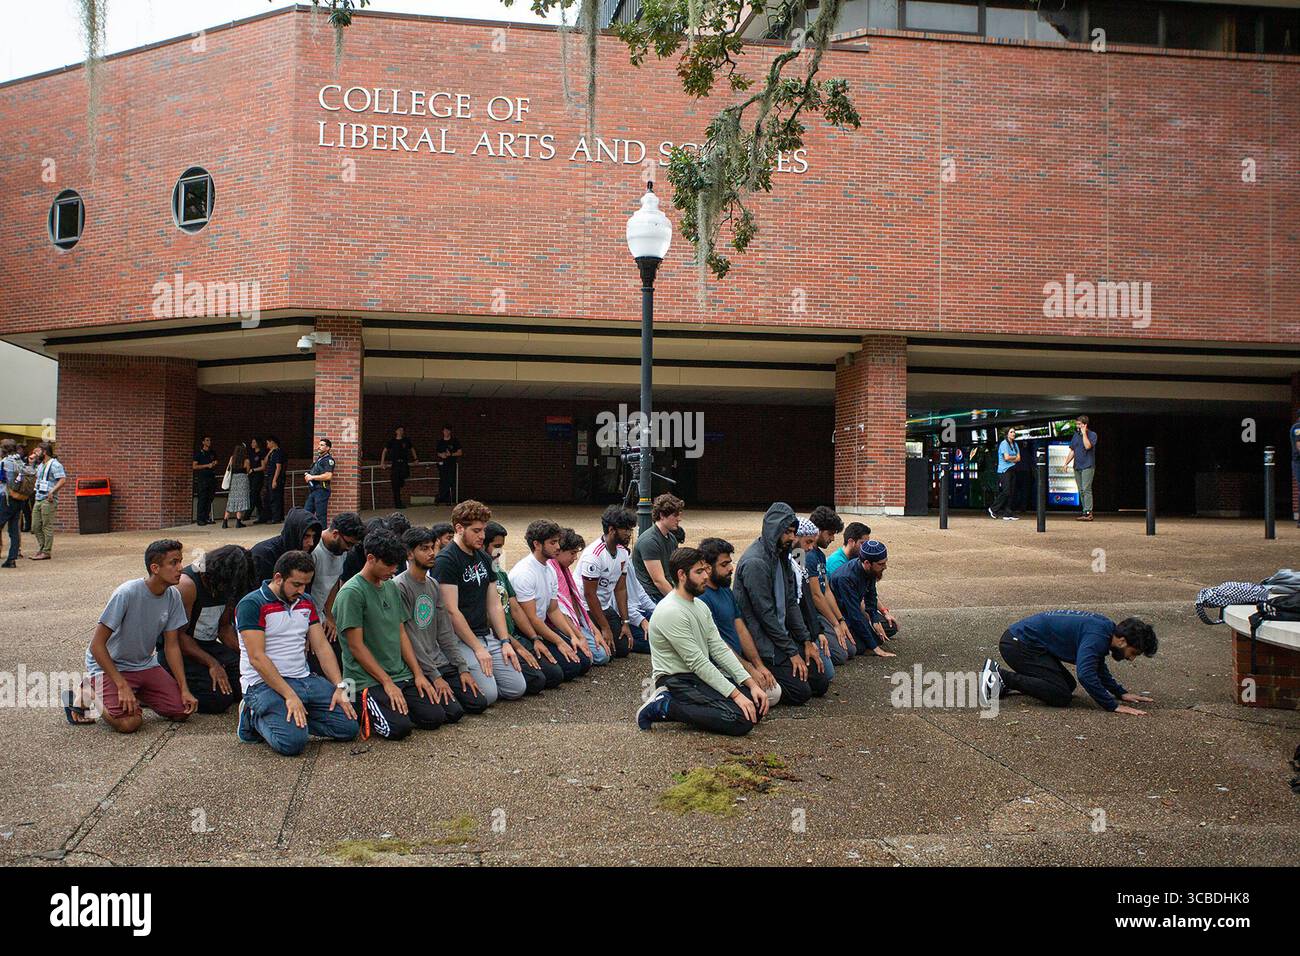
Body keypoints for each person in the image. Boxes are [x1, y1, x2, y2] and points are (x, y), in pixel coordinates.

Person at [234, 550, 359, 755]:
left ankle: (288, 716)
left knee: (348, 727)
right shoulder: (252, 604)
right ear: (278, 578)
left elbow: (321, 647)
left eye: (306, 584)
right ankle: (252, 716)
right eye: (296, 584)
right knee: (292, 744)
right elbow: (257, 658)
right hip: (263, 684)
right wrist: (290, 696)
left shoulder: (305, 601)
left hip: (303, 679)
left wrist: (340, 686)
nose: (301, 590)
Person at [637, 547, 769, 735]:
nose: (706, 576)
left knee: (755, 707)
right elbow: (697, 662)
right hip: (676, 678)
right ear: (681, 575)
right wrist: (736, 695)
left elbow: (719, 648)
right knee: (740, 721)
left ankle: (688, 707)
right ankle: (664, 705)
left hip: (695, 677)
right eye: (699, 572)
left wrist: (751, 684)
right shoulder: (671, 611)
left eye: (705, 570)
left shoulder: (700, 605)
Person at [335, 530, 453, 740]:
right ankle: (363, 706)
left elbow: (401, 633)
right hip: (366, 680)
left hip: (400, 673)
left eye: (396, 565)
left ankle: (395, 707)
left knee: (436, 716)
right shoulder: (351, 593)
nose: (394, 570)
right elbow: (356, 647)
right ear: (370, 559)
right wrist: (386, 681)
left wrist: (418, 674)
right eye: (388, 565)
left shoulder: (390, 586)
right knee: (399, 729)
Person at [74, 540, 198, 732]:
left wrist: (184, 688)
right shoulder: (127, 593)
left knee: (183, 710)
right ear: (155, 568)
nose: (181, 568)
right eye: (174, 562)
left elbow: (171, 646)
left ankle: (133, 691)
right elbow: (96, 646)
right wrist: (121, 685)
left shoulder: (173, 596)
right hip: (109, 667)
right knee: (129, 723)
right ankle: (89, 692)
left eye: (181, 561)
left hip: (142, 664)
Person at [435, 499, 532, 705]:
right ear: (459, 528)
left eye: (484, 530)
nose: (482, 536)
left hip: (487, 636)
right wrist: (478, 649)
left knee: (517, 688)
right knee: (487, 696)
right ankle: (452, 672)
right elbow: (451, 612)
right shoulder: (446, 561)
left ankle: (484, 672)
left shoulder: (485, 559)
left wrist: (505, 641)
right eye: (477, 531)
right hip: (459, 639)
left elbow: (494, 604)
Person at [733, 501, 828, 706]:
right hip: (763, 642)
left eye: (794, 532)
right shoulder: (756, 563)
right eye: (788, 532)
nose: (792, 538)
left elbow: (791, 602)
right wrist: (791, 652)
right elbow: (765, 615)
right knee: (800, 693)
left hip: (782, 637)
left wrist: (805, 641)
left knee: (820, 682)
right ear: (774, 530)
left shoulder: (782, 556)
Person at [979, 611, 1157, 714]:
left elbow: (1096, 666)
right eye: (1133, 653)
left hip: (1026, 643)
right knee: (1060, 695)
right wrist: (1113, 706)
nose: (1131, 658)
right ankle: (999, 676)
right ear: (1123, 641)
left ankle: (1001, 684)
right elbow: (1086, 675)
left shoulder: (1105, 630)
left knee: (1068, 686)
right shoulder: (1098, 636)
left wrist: (1120, 693)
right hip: (1018, 644)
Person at [395, 526, 489, 719]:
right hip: (419, 665)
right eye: (424, 549)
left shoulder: (433, 584)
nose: (431, 553)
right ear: (409, 553)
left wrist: (462, 668)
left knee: (477, 702)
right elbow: (409, 636)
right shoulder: (399, 586)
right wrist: (435, 676)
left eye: (432, 547)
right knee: (447, 714)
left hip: (440, 661)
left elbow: (445, 631)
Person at [169, 544, 256, 714]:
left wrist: (250, 654)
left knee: (245, 686)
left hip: (208, 645)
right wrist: (212, 664)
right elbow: (179, 637)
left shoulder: (229, 585)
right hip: (182, 647)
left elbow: (224, 629)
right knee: (217, 700)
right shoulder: (188, 585)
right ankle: (165, 686)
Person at [696, 537, 781, 707]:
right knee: (759, 702)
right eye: (724, 565)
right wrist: (748, 670)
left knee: (774, 692)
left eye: (730, 563)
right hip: (719, 666)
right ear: (707, 566)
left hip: (738, 663)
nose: (730, 568)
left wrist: (758, 665)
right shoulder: (702, 598)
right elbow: (717, 645)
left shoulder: (725, 591)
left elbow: (740, 629)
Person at [485, 521, 564, 691]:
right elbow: (490, 619)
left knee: (557, 673)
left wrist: (535, 638)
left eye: (502, 547)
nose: (500, 552)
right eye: (496, 546)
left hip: (515, 634)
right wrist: (516, 645)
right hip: (498, 637)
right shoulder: (520, 572)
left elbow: (515, 609)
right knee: (538, 680)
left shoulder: (499, 570)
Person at [509, 519, 590, 681]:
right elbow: (531, 617)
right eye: (553, 543)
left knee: (583, 662)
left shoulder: (549, 569)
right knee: (558, 674)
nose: (558, 547)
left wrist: (572, 635)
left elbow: (553, 610)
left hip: (542, 626)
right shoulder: (524, 572)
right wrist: (559, 641)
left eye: (558, 542)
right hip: (525, 631)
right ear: (537, 544)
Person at [579, 505, 636, 659]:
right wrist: (605, 628)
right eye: (626, 530)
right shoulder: (594, 555)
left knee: (624, 648)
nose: (629, 534)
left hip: (605, 606)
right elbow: (589, 594)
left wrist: (625, 622)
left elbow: (620, 589)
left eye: (631, 530)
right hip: (586, 608)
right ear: (612, 530)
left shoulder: (623, 553)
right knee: (606, 654)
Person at [309, 512, 365, 669]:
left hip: (322, 616)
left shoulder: (341, 552)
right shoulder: (314, 551)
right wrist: (310, 626)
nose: (349, 549)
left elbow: (334, 583)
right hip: (307, 619)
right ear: (335, 534)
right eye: (348, 544)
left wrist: (329, 615)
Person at [829, 539, 899, 658]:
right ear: (867, 563)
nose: (885, 567)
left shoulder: (870, 570)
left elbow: (871, 596)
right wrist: (875, 648)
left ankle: (868, 637)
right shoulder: (846, 578)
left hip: (854, 612)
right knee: (859, 646)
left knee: (889, 627)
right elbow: (854, 614)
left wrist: (875, 620)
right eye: (881, 564)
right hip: (840, 616)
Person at [552, 528, 611, 665]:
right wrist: (578, 636)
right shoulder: (552, 570)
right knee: (598, 657)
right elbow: (560, 611)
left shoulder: (564, 570)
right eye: (572, 553)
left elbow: (577, 606)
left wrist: (594, 631)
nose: (575, 558)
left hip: (576, 622)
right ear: (559, 551)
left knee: (606, 652)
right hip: (562, 625)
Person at [806, 506, 854, 665]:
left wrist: (840, 620)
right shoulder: (807, 555)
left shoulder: (819, 554)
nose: (833, 538)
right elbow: (816, 595)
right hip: (812, 613)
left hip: (823, 612)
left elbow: (825, 590)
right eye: (830, 533)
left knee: (851, 650)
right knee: (841, 656)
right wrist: (834, 624)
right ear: (818, 530)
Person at [792, 517, 835, 684]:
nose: (811, 547)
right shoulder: (792, 558)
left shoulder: (800, 556)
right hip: (796, 631)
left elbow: (807, 599)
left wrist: (818, 631)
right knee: (825, 676)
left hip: (808, 626)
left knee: (828, 672)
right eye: (808, 542)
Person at [632, 493, 683, 603]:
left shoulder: (671, 538)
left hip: (663, 593)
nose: (679, 519)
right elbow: (658, 581)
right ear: (662, 515)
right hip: (650, 596)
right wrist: (680, 602)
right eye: (675, 515)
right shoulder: (649, 541)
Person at [250, 508, 323, 583]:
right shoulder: (264, 555)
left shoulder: (305, 555)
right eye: (306, 537)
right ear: (294, 534)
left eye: (313, 537)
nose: (311, 543)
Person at [27, 442, 66, 562]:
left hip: (48, 499)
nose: (35, 453)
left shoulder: (55, 464)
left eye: (38, 451)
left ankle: (46, 551)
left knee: (46, 526)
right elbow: (32, 475)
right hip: (38, 497)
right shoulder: (40, 465)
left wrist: (52, 491)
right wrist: (31, 463)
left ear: (44, 452)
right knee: (35, 526)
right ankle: (43, 548)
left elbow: (62, 480)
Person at [1063, 415, 1099, 522]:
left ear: (1085, 424)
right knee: (1080, 489)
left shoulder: (1092, 435)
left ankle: (1089, 512)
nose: (1077, 426)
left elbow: (1088, 446)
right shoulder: (1075, 435)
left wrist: (1084, 434)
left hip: (1088, 465)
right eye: (1077, 424)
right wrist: (1066, 463)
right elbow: (1072, 451)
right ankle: (1085, 511)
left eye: (1079, 424)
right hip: (1077, 465)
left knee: (1086, 488)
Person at [0, 439, 25, 568]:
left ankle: (11, 559)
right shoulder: (20, 461)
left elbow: (6, 481)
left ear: (4, 449)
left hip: (7, 498)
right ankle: (11, 559)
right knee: (14, 530)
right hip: (18, 498)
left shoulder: (5, 462)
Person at [380, 426, 419, 509]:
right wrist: (382, 462)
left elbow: (412, 449)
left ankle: (401, 483)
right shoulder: (392, 441)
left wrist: (415, 459)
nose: (401, 431)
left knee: (402, 479)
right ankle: (398, 503)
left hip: (404, 463)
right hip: (395, 464)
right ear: (396, 431)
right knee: (395, 484)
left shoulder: (406, 441)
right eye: (399, 430)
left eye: (402, 430)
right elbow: (385, 450)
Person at [989, 427, 1021, 520]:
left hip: (1012, 469)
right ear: (1007, 434)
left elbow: (1019, 458)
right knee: (1006, 491)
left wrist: (1012, 458)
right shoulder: (1004, 443)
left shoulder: (1015, 444)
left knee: (1011, 492)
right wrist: (1014, 458)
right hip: (1004, 470)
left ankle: (1008, 513)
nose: (1013, 434)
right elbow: (1006, 458)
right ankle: (993, 508)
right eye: (1011, 432)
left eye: (1014, 432)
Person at [221, 441, 252, 529]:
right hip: (243, 480)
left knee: (231, 500)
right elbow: (247, 471)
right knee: (241, 500)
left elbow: (229, 468)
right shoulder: (246, 460)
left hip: (234, 480)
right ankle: (238, 522)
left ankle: (225, 522)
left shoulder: (232, 458)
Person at [304, 437, 335, 523]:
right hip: (314, 490)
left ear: (328, 448)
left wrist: (312, 477)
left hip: (322, 490)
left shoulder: (328, 460)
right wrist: (308, 475)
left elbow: (328, 476)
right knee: (306, 513)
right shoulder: (319, 459)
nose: (319, 446)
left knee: (320, 516)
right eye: (319, 444)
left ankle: (322, 535)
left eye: (322, 445)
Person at [192, 436, 219, 525]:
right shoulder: (199, 453)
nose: (209, 442)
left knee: (209, 498)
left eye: (210, 440)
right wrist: (207, 465)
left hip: (211, 477)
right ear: (203, 442)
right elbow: (194, 466)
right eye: (207, 440)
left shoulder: (212, 452)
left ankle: (207, 517)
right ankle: (200, 519)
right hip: (202, 478)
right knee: (202, 498)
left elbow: (216, 461)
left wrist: (214, 463)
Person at [261, 435, 287, 524]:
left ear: (272, 442)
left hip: (275, 477)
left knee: (275, 497)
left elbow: (278, 467)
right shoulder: (272, 452)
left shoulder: (279, 452)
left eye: (268, 443)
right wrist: (269, 452)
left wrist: (274, 480)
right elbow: (264, 462)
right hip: (269, 476)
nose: (267, 445)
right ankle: (270, 516)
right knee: (268, 496)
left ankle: (276, 517)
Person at [435, 425, 462, 504]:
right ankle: (442, 497)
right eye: (445, 431)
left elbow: (460, 452)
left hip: (451, 463)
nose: (446, 432)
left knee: (450, 480)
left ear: (450, 432)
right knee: (443, 480)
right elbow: (437, 453)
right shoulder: (440, 442)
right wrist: (441, 455)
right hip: (442, 464)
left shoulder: (454, 441)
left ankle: (449, 499)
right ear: (442, 432)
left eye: (448, 431)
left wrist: (451, 454)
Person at [247, 437, 266, 524]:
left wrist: (254, 470)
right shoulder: (251, 453)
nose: (252, 444)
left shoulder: (261, 453)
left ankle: (247, 514)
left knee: (254, 493)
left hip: (258, 476)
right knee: (256, 496)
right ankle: (262, 515)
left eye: (254, 442)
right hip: (251, 476)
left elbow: (263, 467)